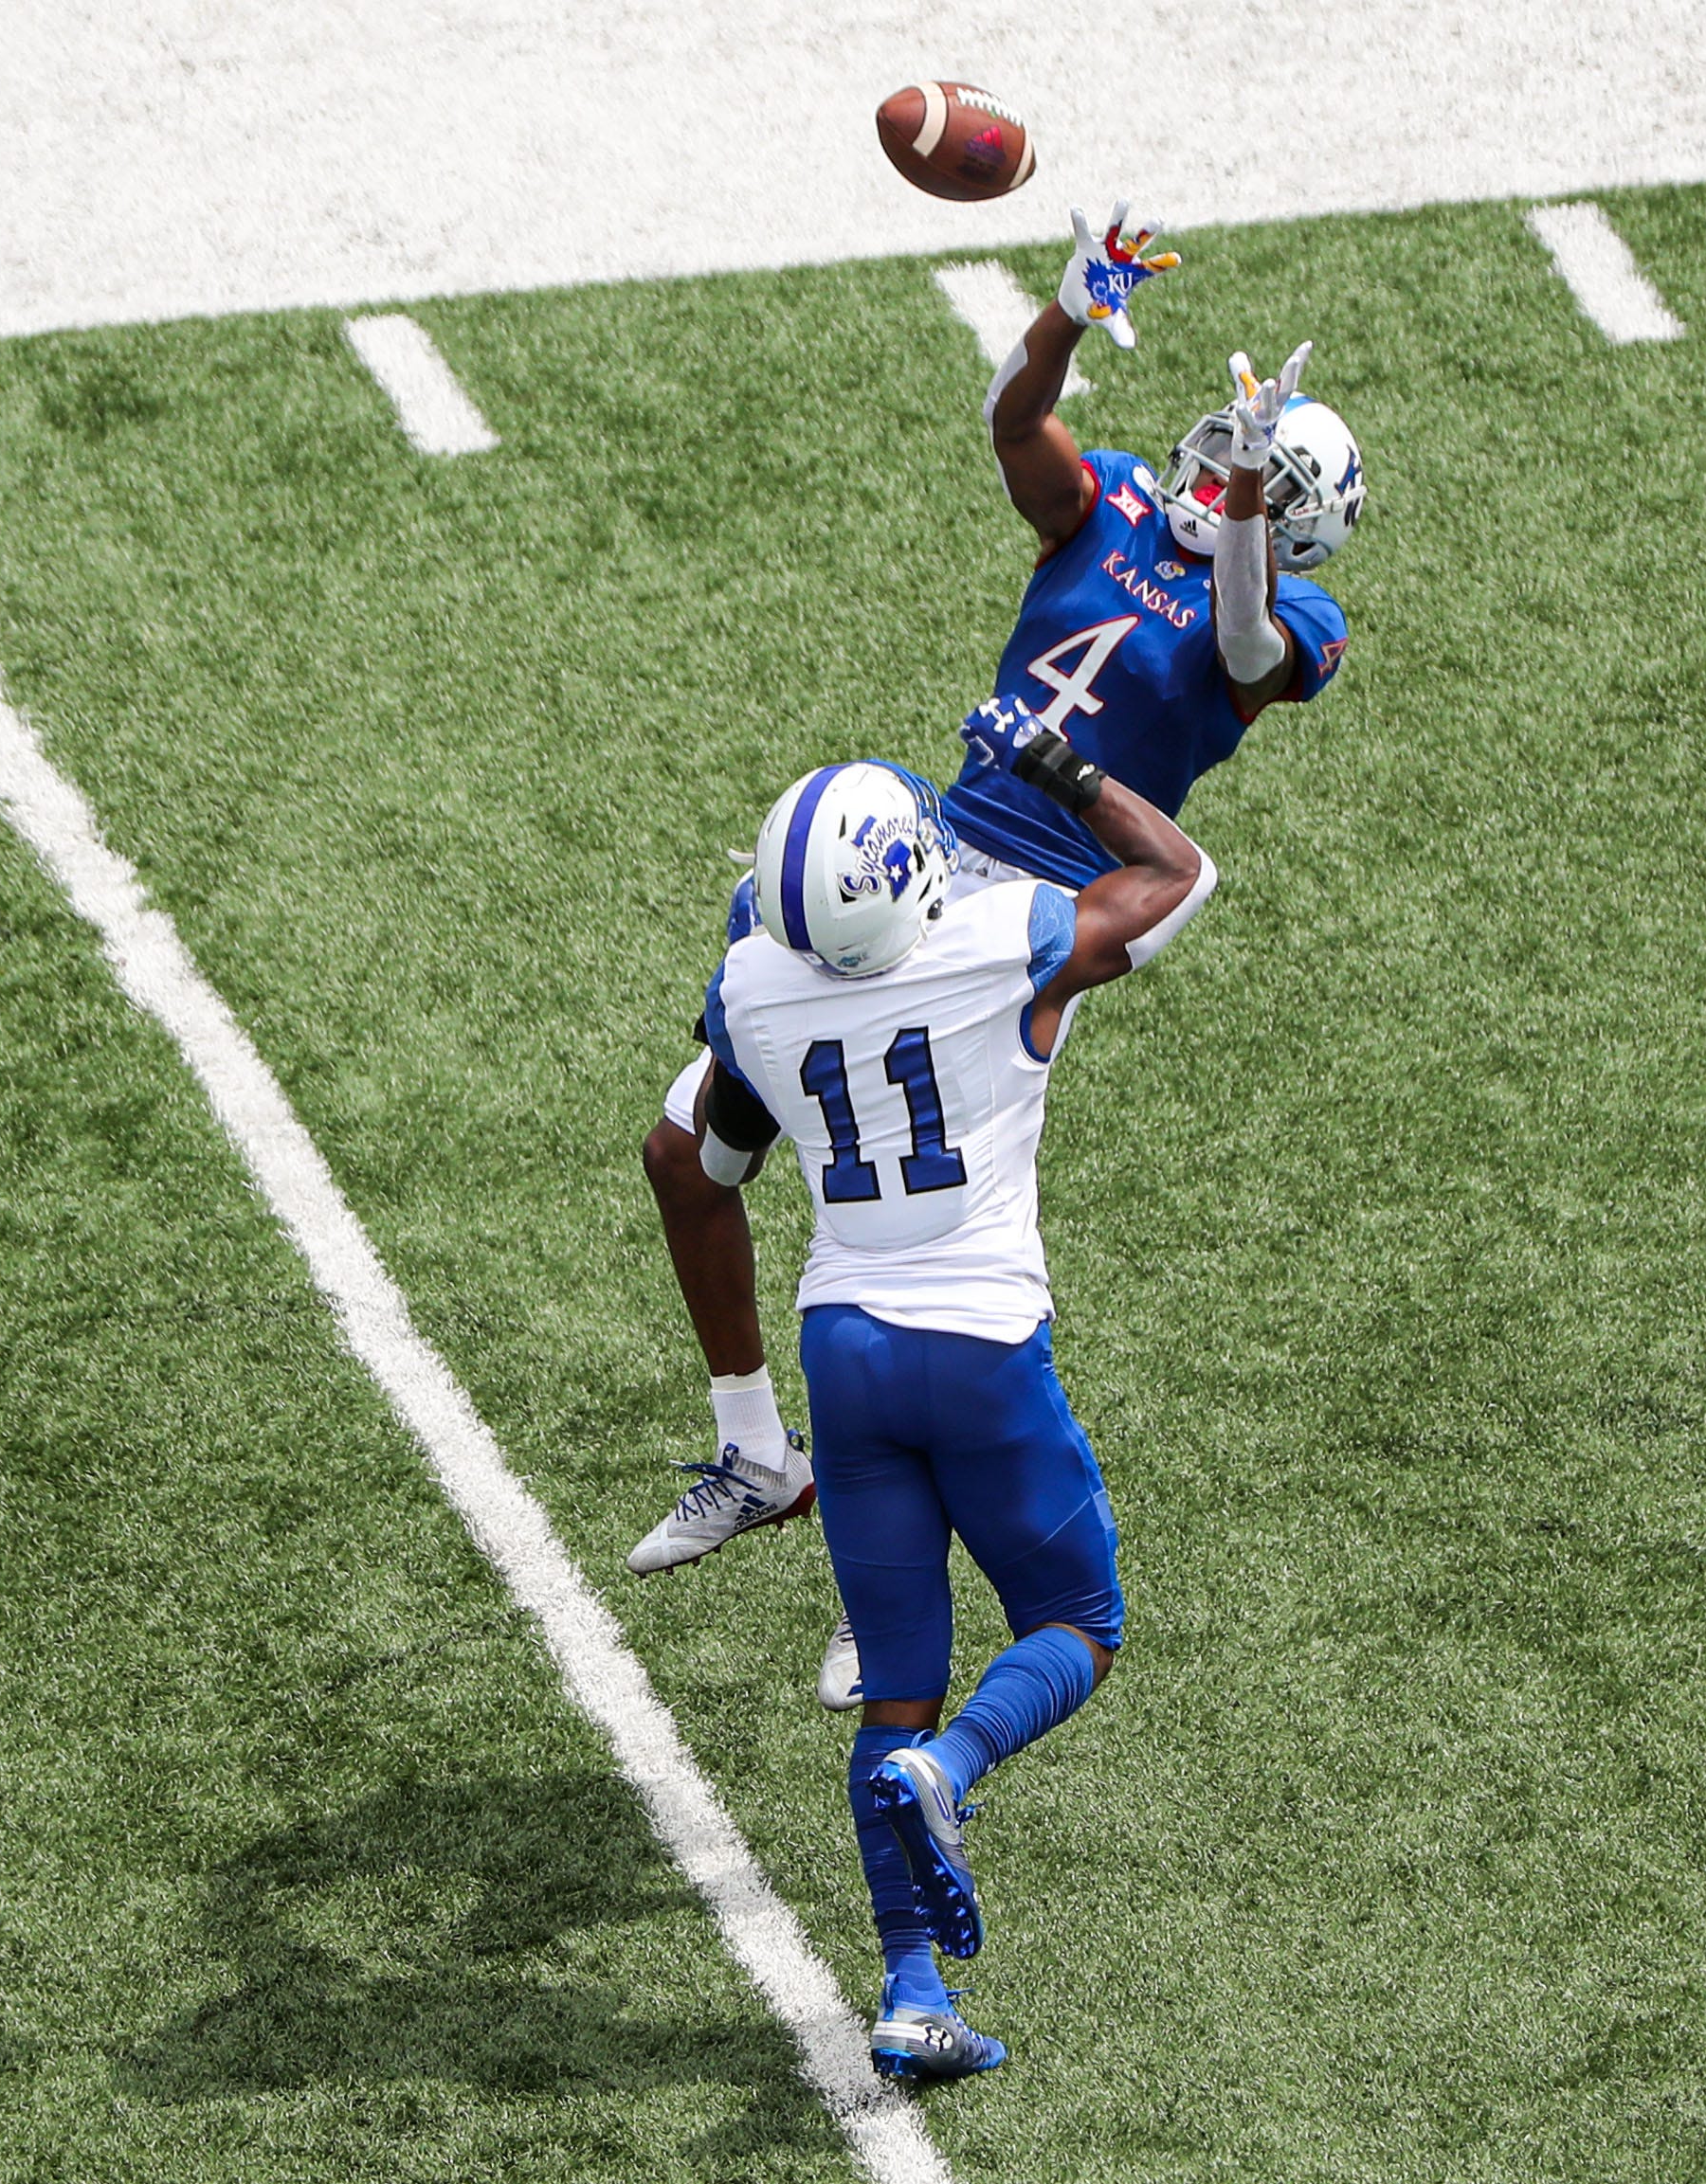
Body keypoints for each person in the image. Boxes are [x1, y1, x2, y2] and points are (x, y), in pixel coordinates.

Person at [629, 202, 1366, 1695]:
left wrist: (1241, 504)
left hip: (1016, 926)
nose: (1211, 470)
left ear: (1289, 522)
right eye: (1225, 453)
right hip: (919, 846)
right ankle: (756, 1452)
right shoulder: (1111, 501)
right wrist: (1067, 308)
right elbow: (1014, 422)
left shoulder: (1295, 608)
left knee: (899, 1245)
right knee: (684, 1153)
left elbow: (1237, 650)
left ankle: (880, 1581)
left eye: (1252, 477)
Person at [682, 703, 1216, 2078]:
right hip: (977, 1344)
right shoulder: (1000, 939)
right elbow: (1178, 876)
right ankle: (959, 1767)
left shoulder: (752, 988)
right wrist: (1068, 774)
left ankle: (912, 1990)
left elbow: (718, 1149)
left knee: (892, 1691)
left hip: (844, 1349)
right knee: (1077, 1622)